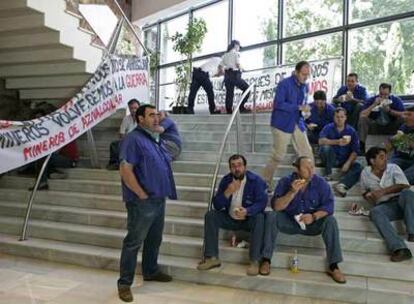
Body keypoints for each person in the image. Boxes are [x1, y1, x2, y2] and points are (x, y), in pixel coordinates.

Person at [117, 104, 177, 303]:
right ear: (140, 118)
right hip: (142, 202)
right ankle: (124, 283)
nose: (156, 118)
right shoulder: (133, 139)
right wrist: (141, 194)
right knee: (133, 242)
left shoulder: (153, 139)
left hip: (158, 199)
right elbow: (126, 170)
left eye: (157, 115)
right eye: (151, 115)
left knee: (154, 239)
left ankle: (150, 271)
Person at [261, 156, 346, 284]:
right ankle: (266, 259)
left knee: (331, 221)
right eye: (306, 168)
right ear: (297, 169)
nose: (311, 171)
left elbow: (329, 207)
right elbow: (276, 207)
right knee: (271, 216)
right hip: (290, 221)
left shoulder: (321, 183)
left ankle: (334, 266)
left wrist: (314, 216)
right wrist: (292, 192)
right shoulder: (285, 181)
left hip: (312, 223)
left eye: (312, 167)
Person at [197, 154, 267, 276]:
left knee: (260, 218)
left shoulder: (256, 181)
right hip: (230, 218)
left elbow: (262, 203)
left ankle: (255, 260)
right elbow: (217, 205)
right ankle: (212, 257)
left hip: (248, 219)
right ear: (230, 168)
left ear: (245, 166)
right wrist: (227, 192)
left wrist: (247, 211)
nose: (237, 168)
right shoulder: (226, 180)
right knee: (211, 215)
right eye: (233, 166)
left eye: (239, 165)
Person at [262, 61, 314, 188]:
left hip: (297, 122)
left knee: (307, 154)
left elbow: (302, 106)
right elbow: (278, 104)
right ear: (296, 72)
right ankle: (264, 183)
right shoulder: (284, 84)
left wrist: (306, 113)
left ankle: (309, 183)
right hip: (282, 123)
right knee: (278, 155)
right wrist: (298, 107)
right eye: (303, 74)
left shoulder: (306, 87)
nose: (305, 77)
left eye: (307, 75)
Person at [361, 146, 413, 262]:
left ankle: (412, 232)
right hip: (387, 206)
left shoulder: (393, 168)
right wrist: (369, 196)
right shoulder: (365, 173)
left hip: (403, 202)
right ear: (372, 161)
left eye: (385, 157)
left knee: (407, 193)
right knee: (375, 212)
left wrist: (383, 191)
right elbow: (364, 192)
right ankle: (400, 248)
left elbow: (405, 185)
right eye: (381, 157)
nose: (385, 160)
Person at [318, 107, 362, 197]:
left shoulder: (351, 131)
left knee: (359, 166)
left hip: (344, 160)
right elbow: (320, 141)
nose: (339, 119)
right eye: (337, 117)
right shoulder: (328, 127)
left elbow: (355, 150)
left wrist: (348, 163)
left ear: (345, 118)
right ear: (334, 117)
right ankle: (328, 173)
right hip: (330, 158)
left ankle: (342, 184)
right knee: (325, 148)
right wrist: (337, 141)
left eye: (342, 117)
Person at [358, 83, 404, 154]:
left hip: (391, 125)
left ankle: (401, 146)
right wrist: (374, 105)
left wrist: (390, 111)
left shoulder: (396, 100)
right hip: (376, 125)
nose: (383, 97)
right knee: (363, 119)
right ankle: (362, 146)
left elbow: (404, 115)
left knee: (403, 119)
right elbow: (362, 115)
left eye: (385, 94)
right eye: (381, 94)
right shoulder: (372, 99)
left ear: (390, 93)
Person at [106, 99, 140, 170]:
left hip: (139, 141)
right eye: (131, 108)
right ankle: (115, 164)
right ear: (129, 108)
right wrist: (126, 140)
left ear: (139, 108)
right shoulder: (126, 119)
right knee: (114, 145)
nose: (133, 110)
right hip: (128, 140)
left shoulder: (143, 119)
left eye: (135, 108)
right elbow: (122, 133)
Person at [220, 40, 251, 114]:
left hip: (227, 76)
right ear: (235, 45)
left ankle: (229, 110)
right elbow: (237, 64)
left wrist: (225, 72)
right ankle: (241, 107)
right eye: (239, 47)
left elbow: (220, 66)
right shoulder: (236, 53)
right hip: (235, 75)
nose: (239, 48)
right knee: (247, 89)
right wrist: (243, 69)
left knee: (229, 94)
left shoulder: (225, 55)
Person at [388, 107, 414, 184]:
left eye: (409, 115)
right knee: (387, 171)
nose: (405, 117)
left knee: (405, 177)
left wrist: (403, 138)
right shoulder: (403, 127)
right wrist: (391, 141)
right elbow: (392, 146)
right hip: (399, 157)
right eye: (405, 114)